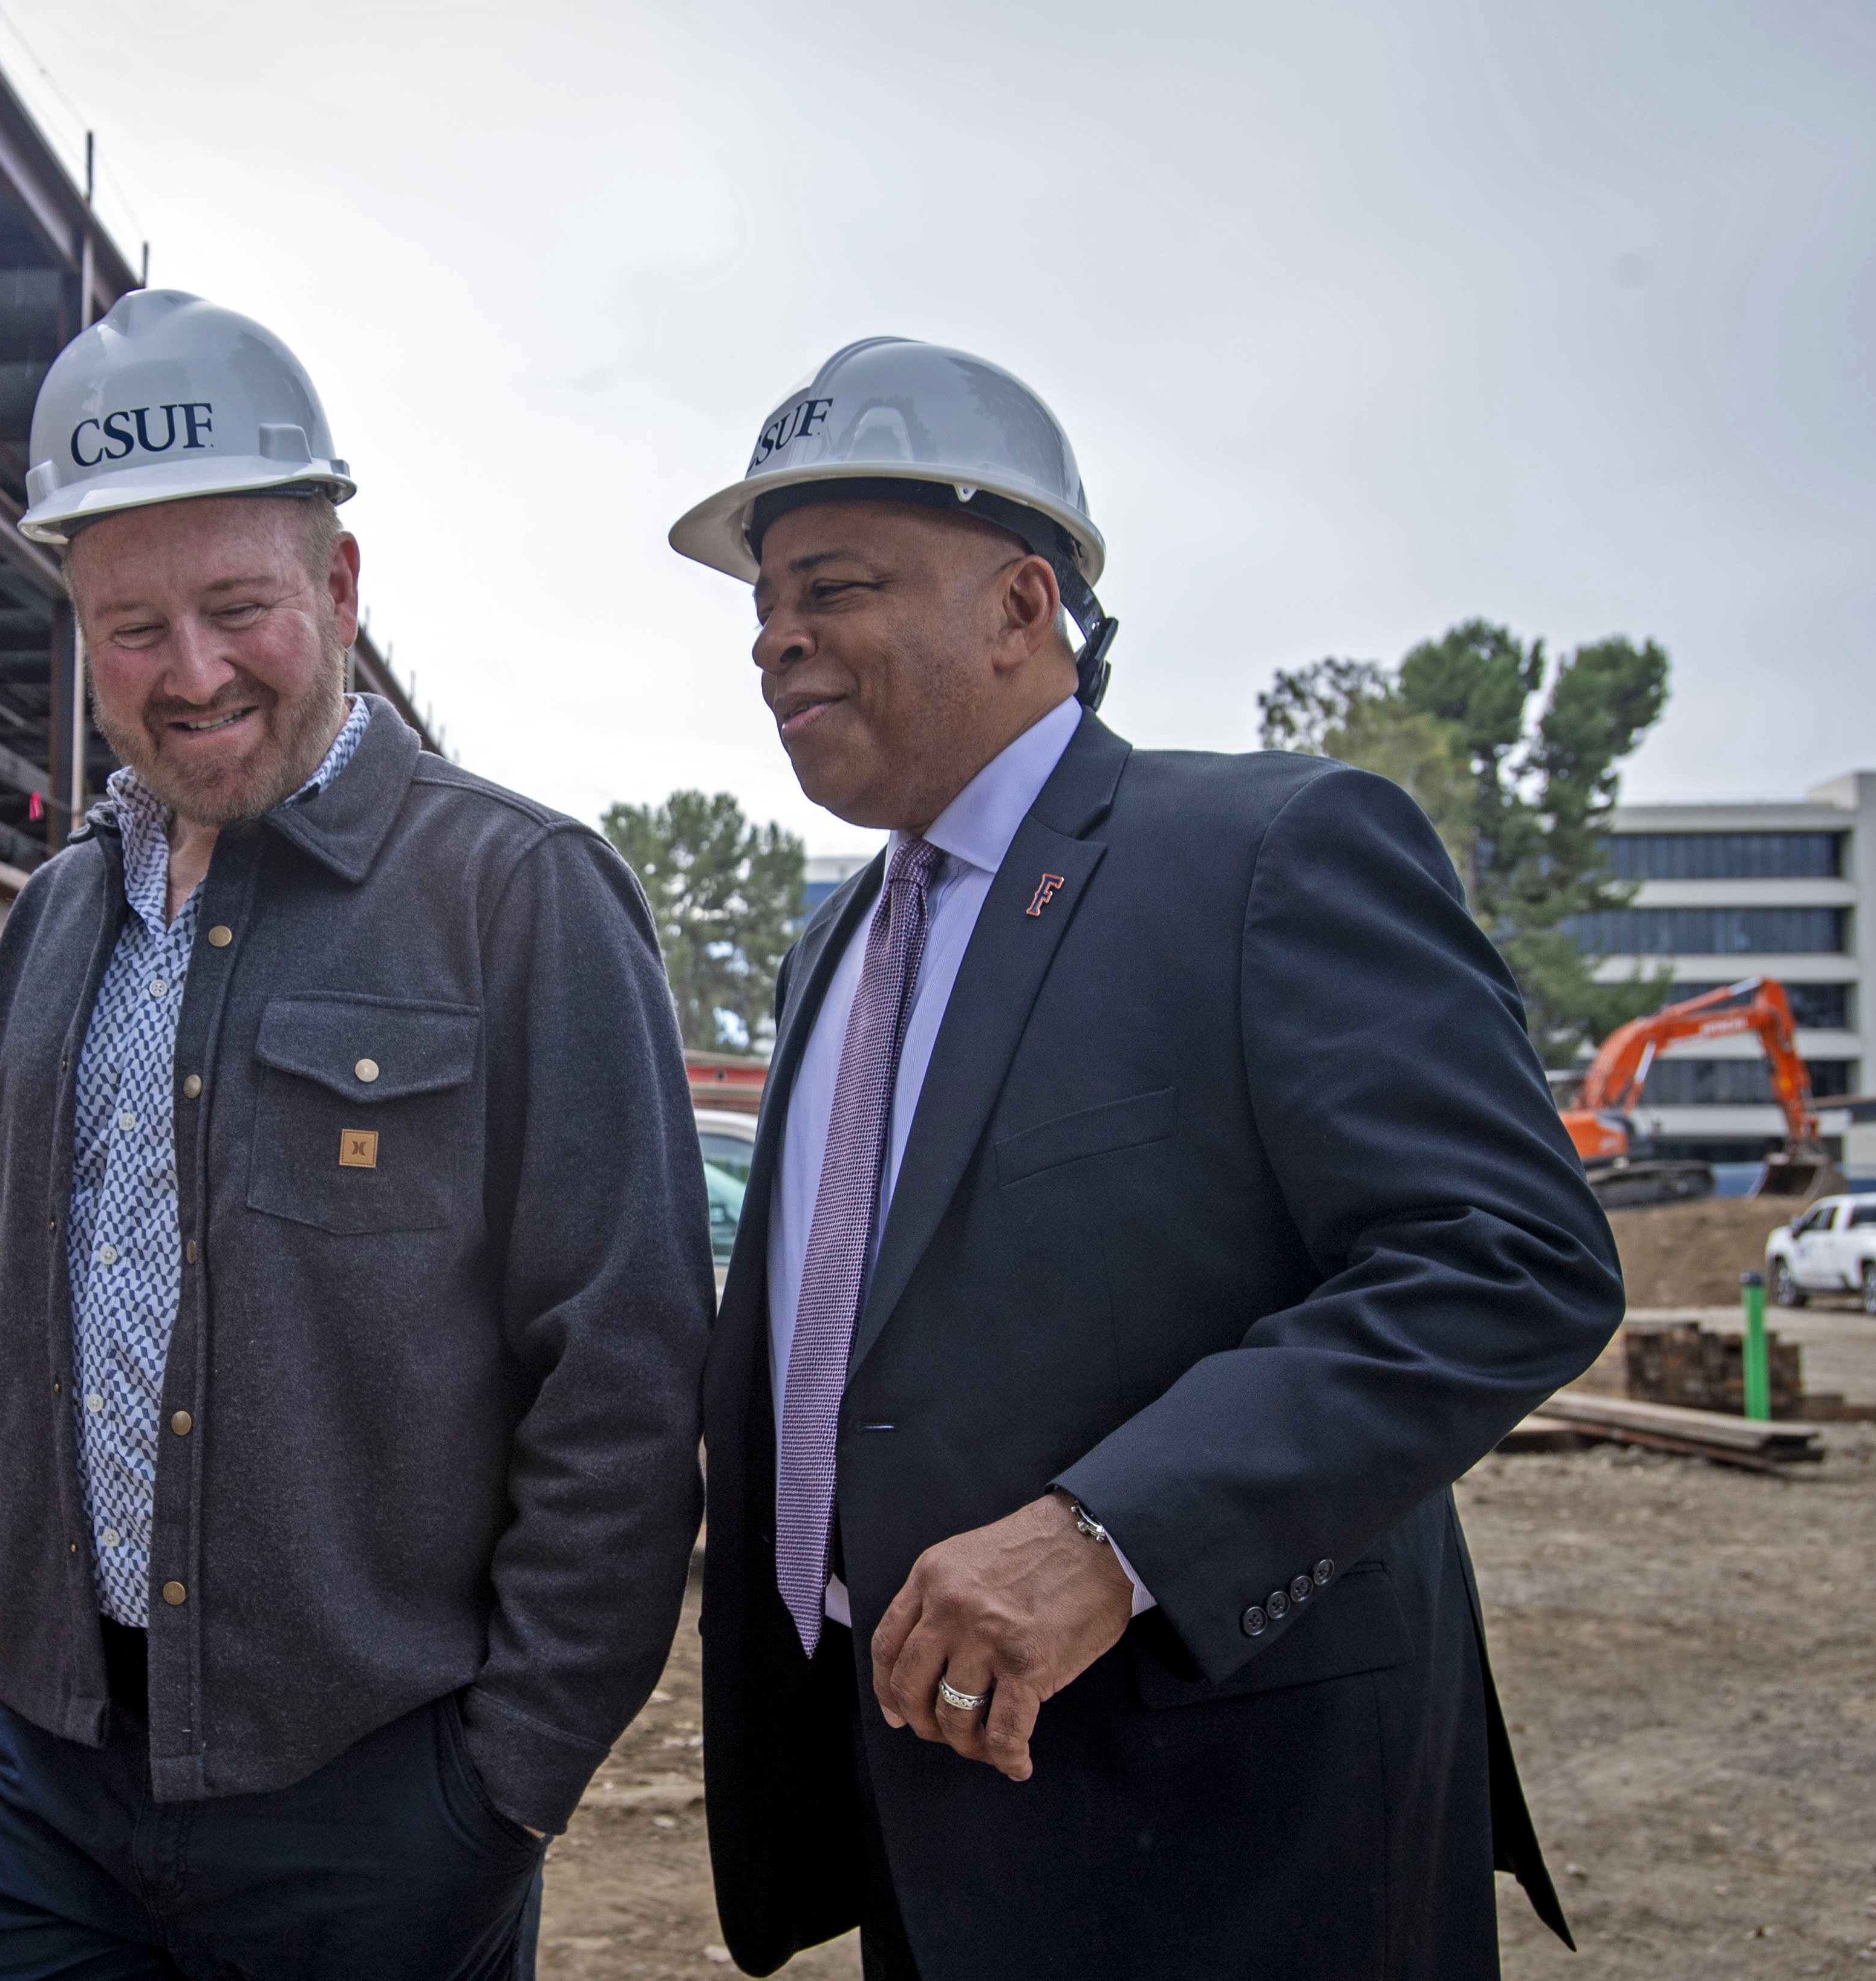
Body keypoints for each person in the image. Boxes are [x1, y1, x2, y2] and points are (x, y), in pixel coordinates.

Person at [667, 336, 1623, 1979]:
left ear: (1022, 608)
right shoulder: (837, 948)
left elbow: (1507, 1254)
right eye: (761, 605)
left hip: (1228, 1837)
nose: (774, 640)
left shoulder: (1262, 857)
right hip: (933, 1801)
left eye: (832, 586)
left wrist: (1112, 1532)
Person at [0, 289, 714, 1979]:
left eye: (239, 606)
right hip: (53, 1774)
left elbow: (623, 1384)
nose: (193, 674)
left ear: (341, 583)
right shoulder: (57, 923)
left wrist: (500, 1791)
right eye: (130, 627)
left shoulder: (518, 901)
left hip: (373, 1801)